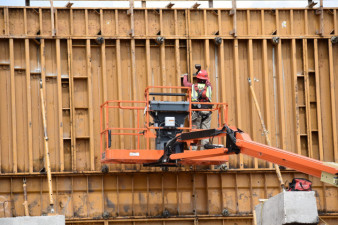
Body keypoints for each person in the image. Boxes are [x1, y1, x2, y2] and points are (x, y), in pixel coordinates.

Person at [183, 69, 212, 150]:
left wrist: (185, 76)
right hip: (207, 113)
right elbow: (208, 83)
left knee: (195, 133)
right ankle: (204, 152)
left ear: (198, 79)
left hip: (196, 112)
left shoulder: (193, 86)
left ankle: (193, 151)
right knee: (205, 133)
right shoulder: (209, 87)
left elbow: (185, 83)